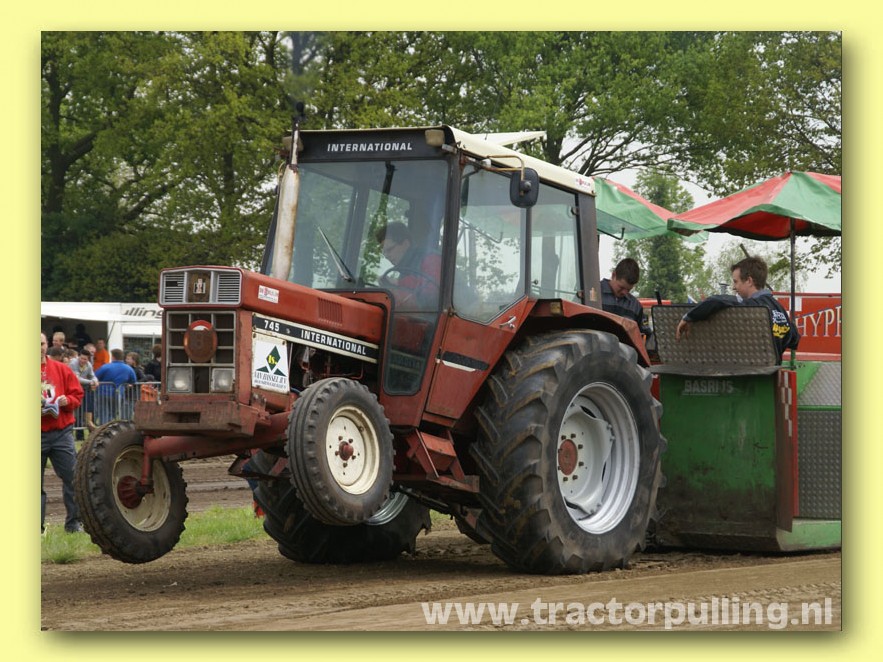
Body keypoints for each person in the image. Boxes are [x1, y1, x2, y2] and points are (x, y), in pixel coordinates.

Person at [676, 256, 800, 362]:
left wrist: (688, 317)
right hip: (773, 374)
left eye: (736, 282)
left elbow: (715, 301)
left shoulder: (753, 306)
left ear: (749, 281)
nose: (734, 287)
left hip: (751, 374)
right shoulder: (779, 308)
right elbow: (794, 339)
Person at [41, 331, 84, 534]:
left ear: (46, 345)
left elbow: (77, 394)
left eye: (41, 344)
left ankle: (74, 523)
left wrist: (68, 401)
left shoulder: (61, 369)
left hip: (61, 432)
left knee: (72, 477)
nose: (38, 348)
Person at [375, 221, 442, 308]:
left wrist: (398, 282)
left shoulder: (431, 258)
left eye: (390, 249)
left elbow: (432, 289)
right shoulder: (404, 270)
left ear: (405, 244)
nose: (387, 256)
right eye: (384, 252)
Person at [600, 258, 649, 334]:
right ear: (613, 275)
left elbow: (646, 335)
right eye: (621, 287)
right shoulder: (593, 295)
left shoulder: (635, 307)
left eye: (628, 290)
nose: (624, 292)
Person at [95, 348, 137, 420]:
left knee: (103, 412)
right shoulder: (128, 368)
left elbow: (95, 377)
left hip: (103, 392)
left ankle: (105, 426)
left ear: (113, 357)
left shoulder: (105, 367)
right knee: (114, 413)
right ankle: (112, 425)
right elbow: (133, 380)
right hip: (119, 393)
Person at [70, 347, 99, 431]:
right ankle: (76, 431)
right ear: (78, 356)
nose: (82, 361)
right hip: (72, 390)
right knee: (76, 412)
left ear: (88, 359)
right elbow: (77, 379)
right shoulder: (73, 363)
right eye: (81, 358)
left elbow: (92, 375)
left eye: (85, 359)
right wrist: (91, 382)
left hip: (83, 390)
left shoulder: (88, 365)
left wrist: (95, 381)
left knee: (88, 406)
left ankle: (89, 422)